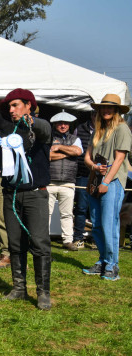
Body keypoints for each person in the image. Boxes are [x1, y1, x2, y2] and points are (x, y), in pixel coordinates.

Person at [0, 88, 53, 310]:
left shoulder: (40, 127)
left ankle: (43, 293)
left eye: (16, 105)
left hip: (35, 195)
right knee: (15, 244)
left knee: (40, 244)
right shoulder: (6, 131)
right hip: (10, 194)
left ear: (29, 105)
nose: (12, 110)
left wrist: (30, 121)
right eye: (9, 107)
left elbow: (43, 128)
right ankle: (19, 289)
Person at [82, 94, 131, 281]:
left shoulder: (122, 129)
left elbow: (119, 159)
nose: (106, 110)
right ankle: (103, 261)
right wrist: (94, 167)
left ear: (117, 110)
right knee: (97, 224)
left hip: (113, 182)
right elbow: (87, 156)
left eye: (110, 107)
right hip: (95, 181)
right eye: (103, 107)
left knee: (110, 224)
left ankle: (112, 265)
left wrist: (106, 182)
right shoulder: (98, 130)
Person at [47, 111, 82, 251]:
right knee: (45, 213)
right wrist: (67, 153)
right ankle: (44, 239)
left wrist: (59, 148)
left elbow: (78, 152)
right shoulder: (49, 137)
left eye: (65, 123)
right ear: (55, 124)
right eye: (60, 123)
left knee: (67, 213)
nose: (63, 126)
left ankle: (68, 240)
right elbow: (47, 156)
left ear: (69, 125)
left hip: (68, 181)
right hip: (50, 181)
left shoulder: (75, 138)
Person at [73, 110, 95, 248]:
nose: (96, 116)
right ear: (91, 115)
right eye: (94, 114)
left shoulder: (108, 130)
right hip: (82, 173)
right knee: (81, 207)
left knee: (96, 208)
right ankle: (78, 237)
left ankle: (95, 238)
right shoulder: (79, 129)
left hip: (100, 175)